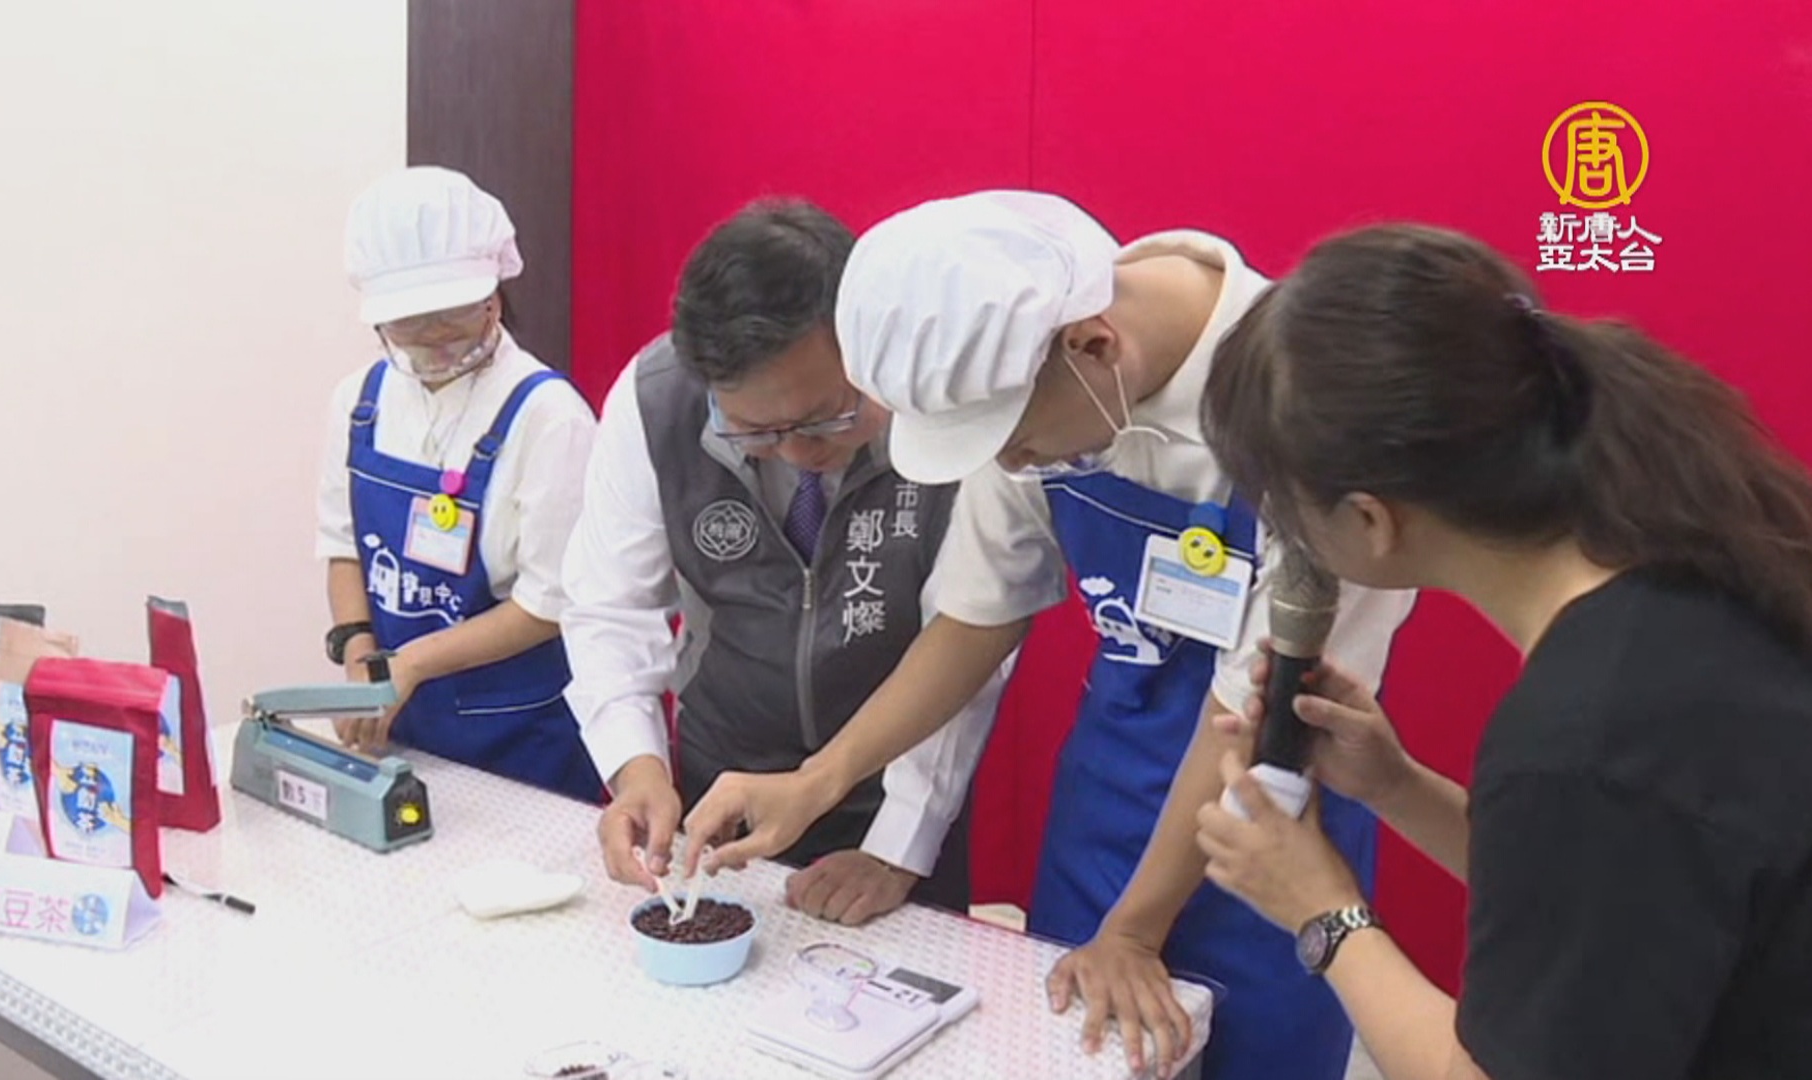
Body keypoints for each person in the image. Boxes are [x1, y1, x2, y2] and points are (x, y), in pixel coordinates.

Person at [683, 191, 1415, 1079]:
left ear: (1095, 347)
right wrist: (818, 779)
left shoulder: (1314, 415)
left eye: (1018, 443)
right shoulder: (1027, 372)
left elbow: (1255, 713)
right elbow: (976, 617)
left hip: (1273, 821)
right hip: (1107, 799)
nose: (1011, 464)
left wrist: (1134, 931)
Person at [1191, 223, 1812, 1080]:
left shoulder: (1587, 734)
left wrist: (1320, 909)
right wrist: (1393, 785)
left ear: (1370, 519)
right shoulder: (1691, 542)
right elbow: (1618, 888)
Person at [560, 199, 1003, 922]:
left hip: (894, 785)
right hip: (720, 779)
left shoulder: (944, 411)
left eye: (827, 418)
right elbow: (611, 605)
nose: (798, 452)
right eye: (756, 433)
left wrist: (899, 846)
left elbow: (969, 637)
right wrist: (636, 768)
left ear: (867, 342)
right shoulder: (657, 401)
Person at [314, 165, 601, 801]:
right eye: (411, 322)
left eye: (454, 315)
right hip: (400, 730)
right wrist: (360, 656)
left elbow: (548, 604)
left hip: (521, 739)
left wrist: (410, 664)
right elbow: (342, 547)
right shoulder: (359, 401)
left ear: (495, 294)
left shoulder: (549, 416)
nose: (435, 338)